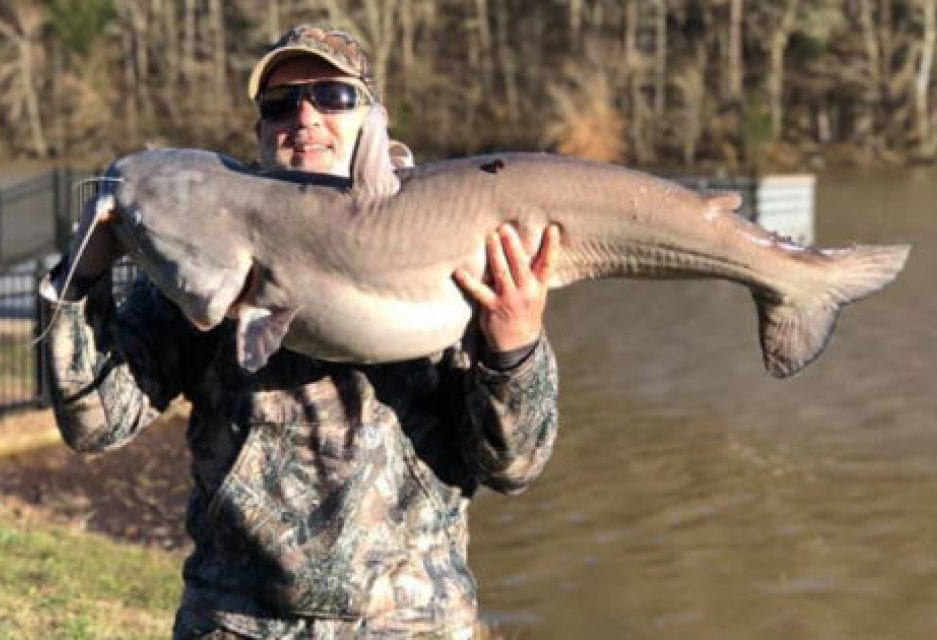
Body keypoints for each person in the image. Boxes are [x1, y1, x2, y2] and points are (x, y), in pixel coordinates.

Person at [40, 25, 561, 639]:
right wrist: (80, 282)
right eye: (279, 104)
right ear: (260, 132)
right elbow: (94, 423)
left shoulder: (457, 250)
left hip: (414, 624)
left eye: (332, 96)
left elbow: (515, 466)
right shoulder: (204, 261)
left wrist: (513, 346)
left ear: (372, 119)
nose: (304, 116)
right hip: (235, 622)